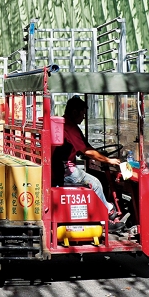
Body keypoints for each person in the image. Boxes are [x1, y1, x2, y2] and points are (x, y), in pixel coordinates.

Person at [57, 95, 124, 227]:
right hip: (65, 170)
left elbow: (85, 147)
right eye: (82, 114)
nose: (84, 118)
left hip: (64, 167)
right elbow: (87, 151)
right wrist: (108, 160)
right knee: (95, 183)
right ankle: (107, 215)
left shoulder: (69, 125)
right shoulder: (69, 127)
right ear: (74, 112)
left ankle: (107, 208)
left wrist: (99, 155)